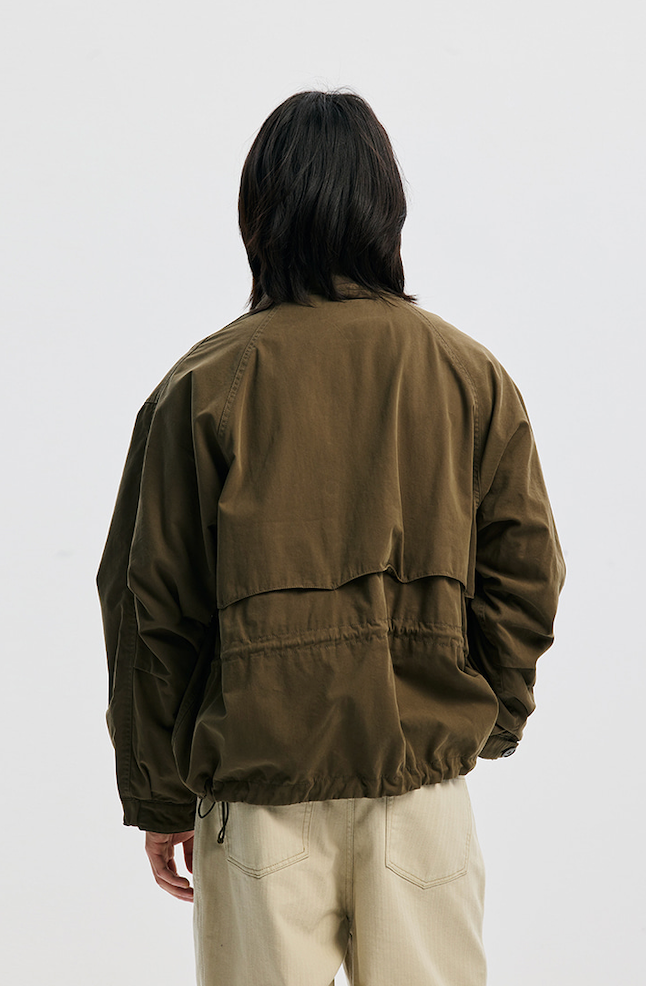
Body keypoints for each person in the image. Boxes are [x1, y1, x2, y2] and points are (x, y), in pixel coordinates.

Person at [97, 89, 566, 986]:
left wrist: (159, 792)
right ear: (386, 209)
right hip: (419, 795)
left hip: (258, 803)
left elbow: (147, 603)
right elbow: (527, 573)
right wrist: (482, 722)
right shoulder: (469, 377)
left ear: (259, 213)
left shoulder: (202, 385)